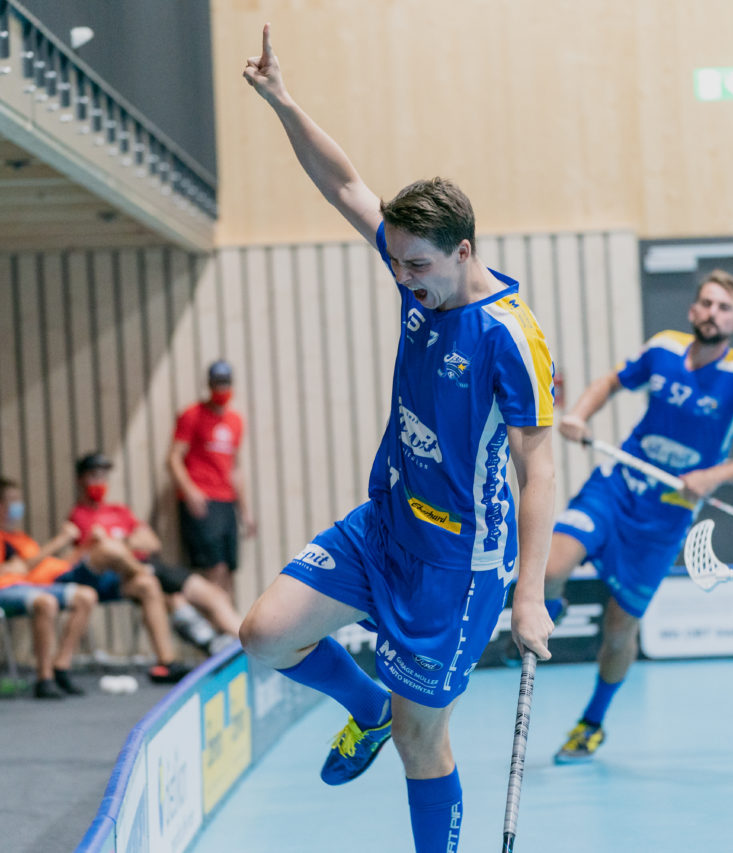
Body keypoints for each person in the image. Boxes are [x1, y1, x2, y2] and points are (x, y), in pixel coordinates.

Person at [237, 27, 556, 853]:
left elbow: (539, 468)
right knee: (266, 633)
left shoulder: (509, 336)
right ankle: (366, 705)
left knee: (424, 740)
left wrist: (527, 593)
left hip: (456, 565)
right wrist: (282, 101)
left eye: (418, 267)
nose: (403, 279)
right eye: (399, 263)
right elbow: (345, 184)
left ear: (463, 250)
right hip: (386, 522)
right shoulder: (418, 271)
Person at [545, 268, 733, 763]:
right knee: (550, 568)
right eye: (707, 303)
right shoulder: (662, 349)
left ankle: (592, 722)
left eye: (725, 308)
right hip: (617, 486)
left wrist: (715, 475)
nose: (713, 313)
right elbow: (612, 381)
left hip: (665, 518)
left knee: (620, 628)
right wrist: (577, 415)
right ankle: (548, 614)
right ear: (692, 310)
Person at [0, 477, 192, 685]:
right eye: (14, 500)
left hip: (69, 572)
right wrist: (60, 540)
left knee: (147, 586)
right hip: (51, 583)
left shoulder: (21, 538)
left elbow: (60, 563)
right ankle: (144, 570)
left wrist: (85, 546)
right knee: (109, 550)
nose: (19, 505)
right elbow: (25, 569)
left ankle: (166, 663)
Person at [71, 452, 241, 654]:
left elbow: (152, 543)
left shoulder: (119, 511)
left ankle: (246, 643)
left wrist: (120, 542)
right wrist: (129, 541)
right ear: (81, 480)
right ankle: (206, 644)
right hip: (119, 576)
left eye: (103, 476)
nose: (100, 482)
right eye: (94, 476)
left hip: (151, 565)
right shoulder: (79, 516)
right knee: (167, 596)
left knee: (212, 594)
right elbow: (98, 552)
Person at [0, 483, 98, 699]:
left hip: (19, 586)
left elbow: (22, 566)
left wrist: (6, 569)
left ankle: (61, 665)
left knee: (86, 596)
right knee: (45, 602)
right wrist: (6, 569)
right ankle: (44, 678)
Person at [167, 359, 255, 600]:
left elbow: (235, 468)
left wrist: (245, 511)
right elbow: (173, 458)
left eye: (225, 383)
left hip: (227, 501)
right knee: (214, 568)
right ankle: (213, 621)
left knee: (229, 569)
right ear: (209, 384)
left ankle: (229, 621)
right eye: (217, 383)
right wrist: (190, 491)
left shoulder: (235, 420)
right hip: (203, 499)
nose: (222, 388)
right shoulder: (192, 415)